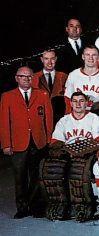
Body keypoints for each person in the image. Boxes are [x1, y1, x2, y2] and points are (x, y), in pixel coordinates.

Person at [40, 92, 99, 221]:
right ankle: (58, 204)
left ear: (87, 103)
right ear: (70, 103)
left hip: (86, 154)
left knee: (78, 171)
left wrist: (80, 150)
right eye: (75, 101)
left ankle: (80, 205)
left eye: (81, 101)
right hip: (67, 153)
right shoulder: (64, 120)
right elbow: (56, 141)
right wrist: (65, 151)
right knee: (52, 169)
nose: (78, 104)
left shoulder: (94, 118)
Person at [1, 66, 53, 218]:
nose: (26, 79)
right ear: (16, 78)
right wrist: (6, 144)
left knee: (37, 176)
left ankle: (36, 206)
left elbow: (48, 120)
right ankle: (22, 208)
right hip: (18, 143)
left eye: (29, 76)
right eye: (23, 76)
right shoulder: (7, 96)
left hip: (39, 142)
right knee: (20, 177)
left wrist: (49, 140)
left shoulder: (42, 94)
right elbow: (4, 122)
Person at [64, 45, 99, 119]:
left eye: (94, 55)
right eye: (87, 55)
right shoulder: (73, 75)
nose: (90, 58)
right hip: (79, 118)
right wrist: (69, 117)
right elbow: (68, 99)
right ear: (83, 57)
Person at [32, 49, 68, 124]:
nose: (49, 62)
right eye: (46, 59)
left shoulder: (64, 76)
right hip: (40, 119)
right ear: (42, 60)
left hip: (61, 119)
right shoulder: (33, 78)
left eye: (52, 59)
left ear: (56, 59)